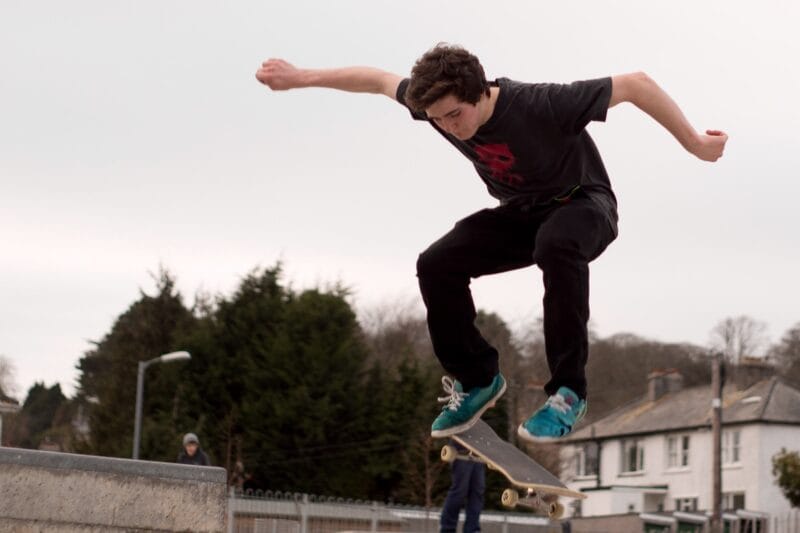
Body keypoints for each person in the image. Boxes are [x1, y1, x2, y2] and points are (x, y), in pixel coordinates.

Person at [255, 44, 727, 442]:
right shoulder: (436, 106)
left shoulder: (541, 104)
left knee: (556, 245)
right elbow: (378, 79)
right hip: (521, 214)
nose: (449, 127)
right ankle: (478, 378)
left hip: (584, 204)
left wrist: (693, 143)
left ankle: (568, 395)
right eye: (437, 120)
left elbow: (636, 84)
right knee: (436, 263)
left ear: (480, 92)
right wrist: (299, 78)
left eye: (455, 115)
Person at [440, 441, 485, 533]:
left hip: (478, 450)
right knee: (460, 490)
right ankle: (448, 528)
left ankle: (472, 529)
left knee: (477, 491)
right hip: (461, 449)